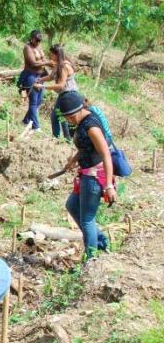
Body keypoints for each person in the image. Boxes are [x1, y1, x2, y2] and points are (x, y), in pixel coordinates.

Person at [56, 92, 115, 258]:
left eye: (71, 117)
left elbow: (106, 155)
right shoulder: (82, 121)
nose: (69, 121)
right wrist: (73, 161)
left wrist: (109, 185)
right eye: (67, 118)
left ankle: (92, 258)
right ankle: (101, 242)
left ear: (80, 110)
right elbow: (85, 148)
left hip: (95, 177)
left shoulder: (92, 127)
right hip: (86, 173)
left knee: (87, 219)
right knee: (72, 206)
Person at [36, 44, 78, 139]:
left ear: (57, 55)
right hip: (63, 95)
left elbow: (61, 85)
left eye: (52, 54)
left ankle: (63, 139)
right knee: (58, 116)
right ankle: (60, 138)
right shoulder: (58, 64)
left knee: (60, 117)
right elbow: (51, 76)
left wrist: (43, 86)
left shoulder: (63, 66)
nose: (50, 57)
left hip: (69, 95)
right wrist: (41, 79)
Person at [19, 30, 52, 134]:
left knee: (39, 101)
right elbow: (33, 63)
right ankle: (36, 127)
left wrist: (49, 63)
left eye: (39, 41)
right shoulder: (27, 48)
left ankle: (26, 120)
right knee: (33, 102)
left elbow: (43, 59)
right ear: (32, 38)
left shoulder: (39, 47)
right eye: (36, 40)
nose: (38, 42)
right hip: (31, 76)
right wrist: (47, 62)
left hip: (40, 76)